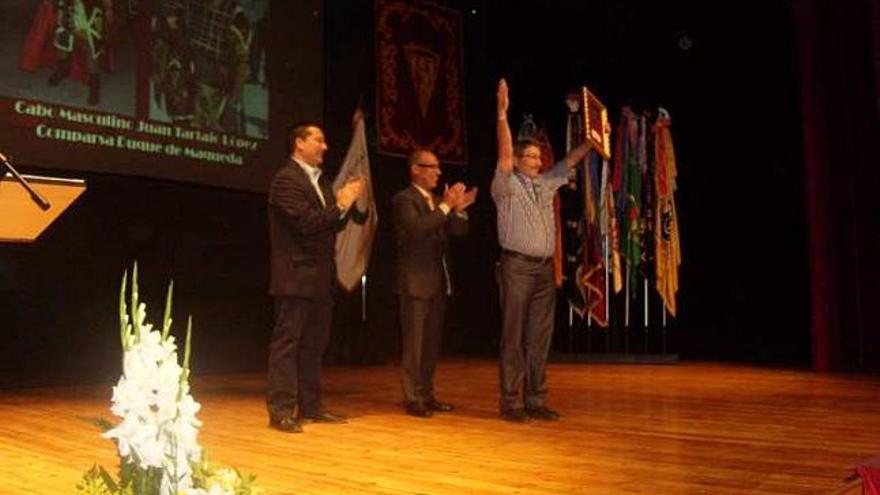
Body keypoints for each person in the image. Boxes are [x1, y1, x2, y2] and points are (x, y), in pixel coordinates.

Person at [492, 79, 589, 423]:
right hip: (516, 267)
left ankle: (535, 398)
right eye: (529, 156)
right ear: (518, 161)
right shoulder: (505, 184)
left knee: (539, 337)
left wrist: (592, 139)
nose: (536, 160)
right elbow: (504, 154)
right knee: (513, 337)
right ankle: (511, 402)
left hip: (545, 269)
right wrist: (502, 116)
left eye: (537, 156)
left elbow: (570, 159)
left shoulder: (547, 183)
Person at [266, 122, 365, 433]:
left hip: (321, 278)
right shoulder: (286, 180)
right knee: (288, 345)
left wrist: (341, 208)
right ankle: (281, 411)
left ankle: (311, 406)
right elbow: (306, 224)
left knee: (314, 345)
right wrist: (341, 203)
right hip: (295, 277)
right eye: (318, 140)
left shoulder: (320, 182)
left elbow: (328, 226)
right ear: (299, 143)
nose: (325, 147)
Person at [392, 149, 477, 418]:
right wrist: (445, 207)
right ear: (416, 169)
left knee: (430, 345)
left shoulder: (440, 202)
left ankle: (427, 394)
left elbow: (458, 232)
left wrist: (459, 211)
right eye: (433, 167)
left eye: (439, 168)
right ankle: (412, 397)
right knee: (414, 345)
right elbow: (418, 228)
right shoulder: (404, 199)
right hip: (415, 281)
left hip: (438, 282)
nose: (439, 173)